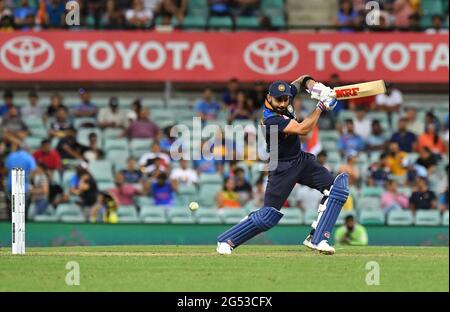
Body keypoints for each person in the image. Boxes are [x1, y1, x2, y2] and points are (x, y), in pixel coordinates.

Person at [216, 75, 347, 255]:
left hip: (300, 159)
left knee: (337, 190)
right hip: (282, 166)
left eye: (286, 99)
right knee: (267, 217)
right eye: (279, 100)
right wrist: (321, 106)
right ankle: (227, 240)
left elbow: (302, 80)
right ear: (269, 98)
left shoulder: (284, 98)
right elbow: (303, 129)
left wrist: (316, 89)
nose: (283, 103)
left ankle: (318, 239)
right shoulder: (270, 120)